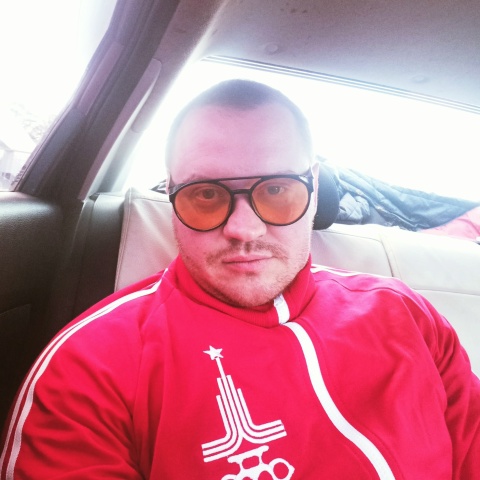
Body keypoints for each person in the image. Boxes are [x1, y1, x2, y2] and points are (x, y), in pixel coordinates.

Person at [1, 79, 479, 479]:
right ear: (173, 195)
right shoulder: (89, 365)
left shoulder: (406, 316)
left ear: (314, 187)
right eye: (206, 195)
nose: (244, 230)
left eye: (277, 189)